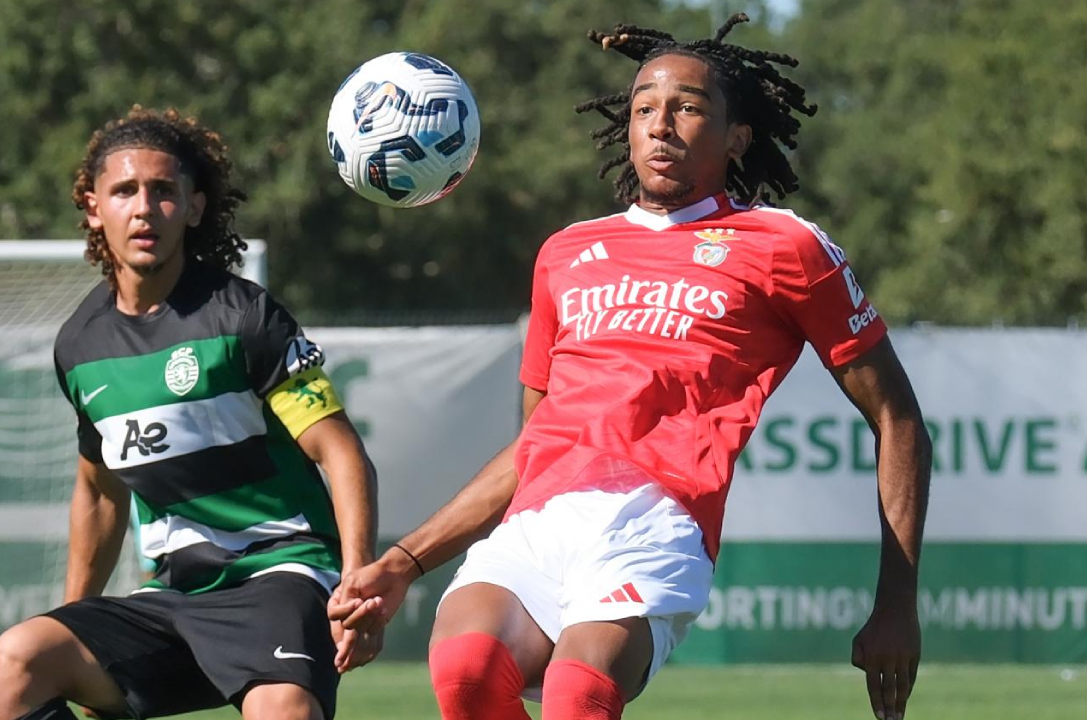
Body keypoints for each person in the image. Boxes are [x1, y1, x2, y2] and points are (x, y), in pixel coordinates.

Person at [329, 14, 930, 720]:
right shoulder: (566, 252)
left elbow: (898, 420)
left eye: (689, 108)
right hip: (541, 522)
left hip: (657, 524)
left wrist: (896, 604)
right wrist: (403, 562)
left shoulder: (784, 245)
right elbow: (537, 445)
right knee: (464, 673)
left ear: (737, 137)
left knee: (576, 695)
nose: (661, 125)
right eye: (645, 107)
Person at [0, 107, 378, 720]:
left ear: (193, 207)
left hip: (281, 576)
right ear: (93, 207)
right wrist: (76, 621)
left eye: (164, 191)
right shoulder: (80, 345)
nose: (144, 208)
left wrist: (357, 586)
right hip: (173, 596)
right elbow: (99, 491)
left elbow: (340, 450)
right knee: (14, 664)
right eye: (124, 191)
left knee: (285, 713)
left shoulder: (243, 317)